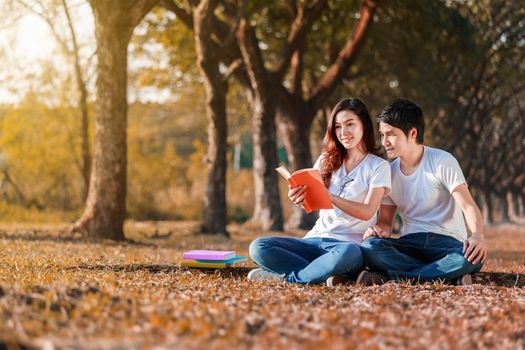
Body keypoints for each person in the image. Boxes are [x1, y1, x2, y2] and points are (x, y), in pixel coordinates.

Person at [248, 98, 391, 285]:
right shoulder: (326, 160)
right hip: (314, 240)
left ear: (364, 125)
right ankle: (323, 274)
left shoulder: (378, 166)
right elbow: (314, 198)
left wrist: (330, 196)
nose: (344, 132)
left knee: (350, 254)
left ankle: (288, 279)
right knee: (258, 247)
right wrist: (299, 197)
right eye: (338, 127)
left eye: (350, 124)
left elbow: (367, 212)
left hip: (347, 247)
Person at [359, 99, 487, 285]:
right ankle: (439, 275)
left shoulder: (442, 161)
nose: (384, 142)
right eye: (382, 135)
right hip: (411, 243)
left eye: (391, 135)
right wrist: (377, 230)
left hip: (447, 244)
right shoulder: (388, 172)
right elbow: (386, 222)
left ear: (412, 133)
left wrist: (477, 235)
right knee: (370, 247)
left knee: (469, 258)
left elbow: (468, 206)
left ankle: (394, 277)